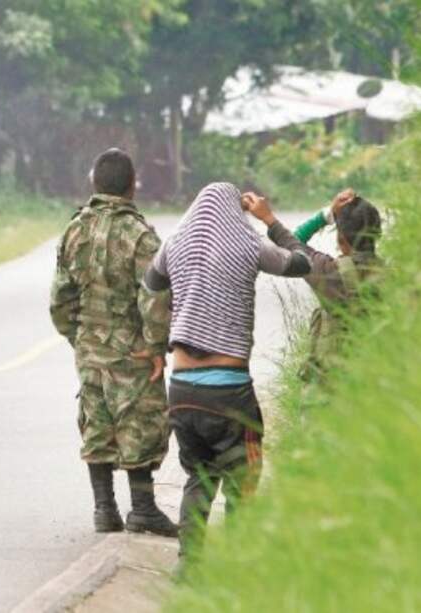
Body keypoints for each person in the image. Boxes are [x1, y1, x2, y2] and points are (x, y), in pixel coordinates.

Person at [141, 183, 310, 563]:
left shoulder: (175, 244)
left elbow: (151, 283)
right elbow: (302, 263)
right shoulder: (249, 244)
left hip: (182, 392)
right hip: (229, 396)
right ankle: (237, 567)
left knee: (198, 479)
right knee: (242, 483)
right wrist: (269, 220)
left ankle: (189, 567)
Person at [50, 148, 177, 537]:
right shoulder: (140, 236)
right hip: (133, 348)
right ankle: (143, 509)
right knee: (141, 421)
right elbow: (155, 296)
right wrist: (156, 347)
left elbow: (60, 299)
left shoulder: (74, 230)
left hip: (90, 345)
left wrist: (80, 338)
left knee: (97, 422)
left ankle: (104, 509)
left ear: (94, 182)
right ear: (132, 185)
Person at [255, 189, 383, 382]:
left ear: (341, 239)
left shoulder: (331, 273)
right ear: (377, 234)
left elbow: (292, 245)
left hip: (334, 388)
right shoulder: (393, 276)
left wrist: (269, 218)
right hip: (378, 382)